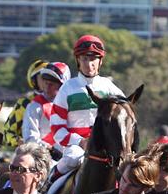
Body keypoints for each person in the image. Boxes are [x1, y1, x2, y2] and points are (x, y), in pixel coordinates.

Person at [49, 35, 124, 179]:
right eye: (84, 59)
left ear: (100, 61)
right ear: (78, 60)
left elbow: (125, 113)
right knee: (72, 158)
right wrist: (80, 141)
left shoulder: (108, 87)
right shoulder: (67, 88)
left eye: (93, 59)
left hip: (105, 146)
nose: (89, 64)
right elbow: (57, 128)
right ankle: (49, 183)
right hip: (76, 147)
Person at [21, 61, 70, 156]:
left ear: (62, 85)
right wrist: (50, 149)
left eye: (52, 84)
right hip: (44, 157)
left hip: (70, 154)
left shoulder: (72, 105)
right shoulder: (34, 106)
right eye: (46, 83)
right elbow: (30, 138)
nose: (47, 87)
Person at [2, 59, 46, 149]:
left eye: (51, 78)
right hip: (32, 153)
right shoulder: (24, 103)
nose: (48, 81)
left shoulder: (62, 101)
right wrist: (20, 141)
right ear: (34, 81)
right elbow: (8, 132)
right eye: (43, 77)